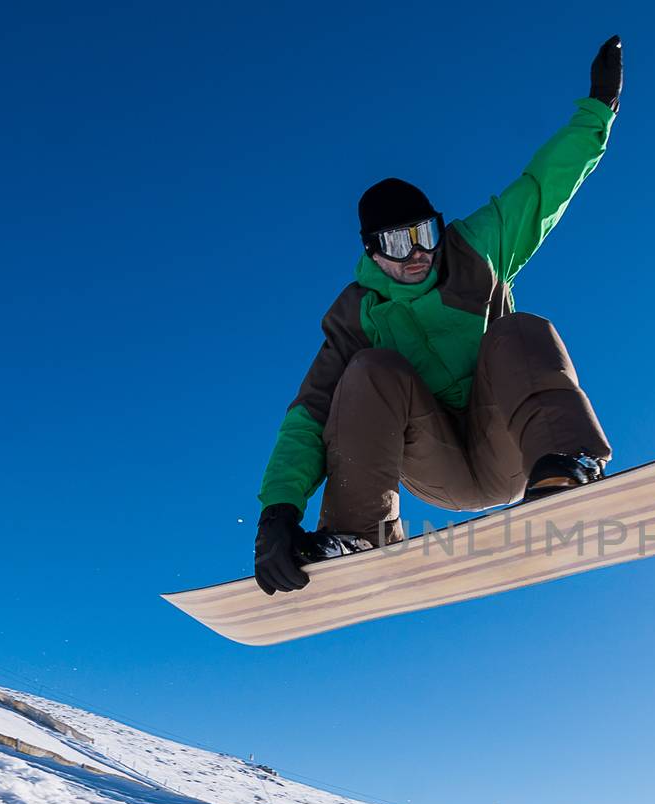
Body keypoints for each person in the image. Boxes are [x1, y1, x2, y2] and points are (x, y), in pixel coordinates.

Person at [252, 37, 624, 596]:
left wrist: (598, 110)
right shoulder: (358, 315)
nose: (417, 254)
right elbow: (307, 419)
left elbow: (542, 188)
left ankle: (565, 467)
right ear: (373, 252)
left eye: (424, 234)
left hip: (509, 442)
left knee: (517, 332)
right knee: (369, 371)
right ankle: (360, 533)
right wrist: (278, 510)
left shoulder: (474, 250)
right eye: (397, 244)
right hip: (436, 462)